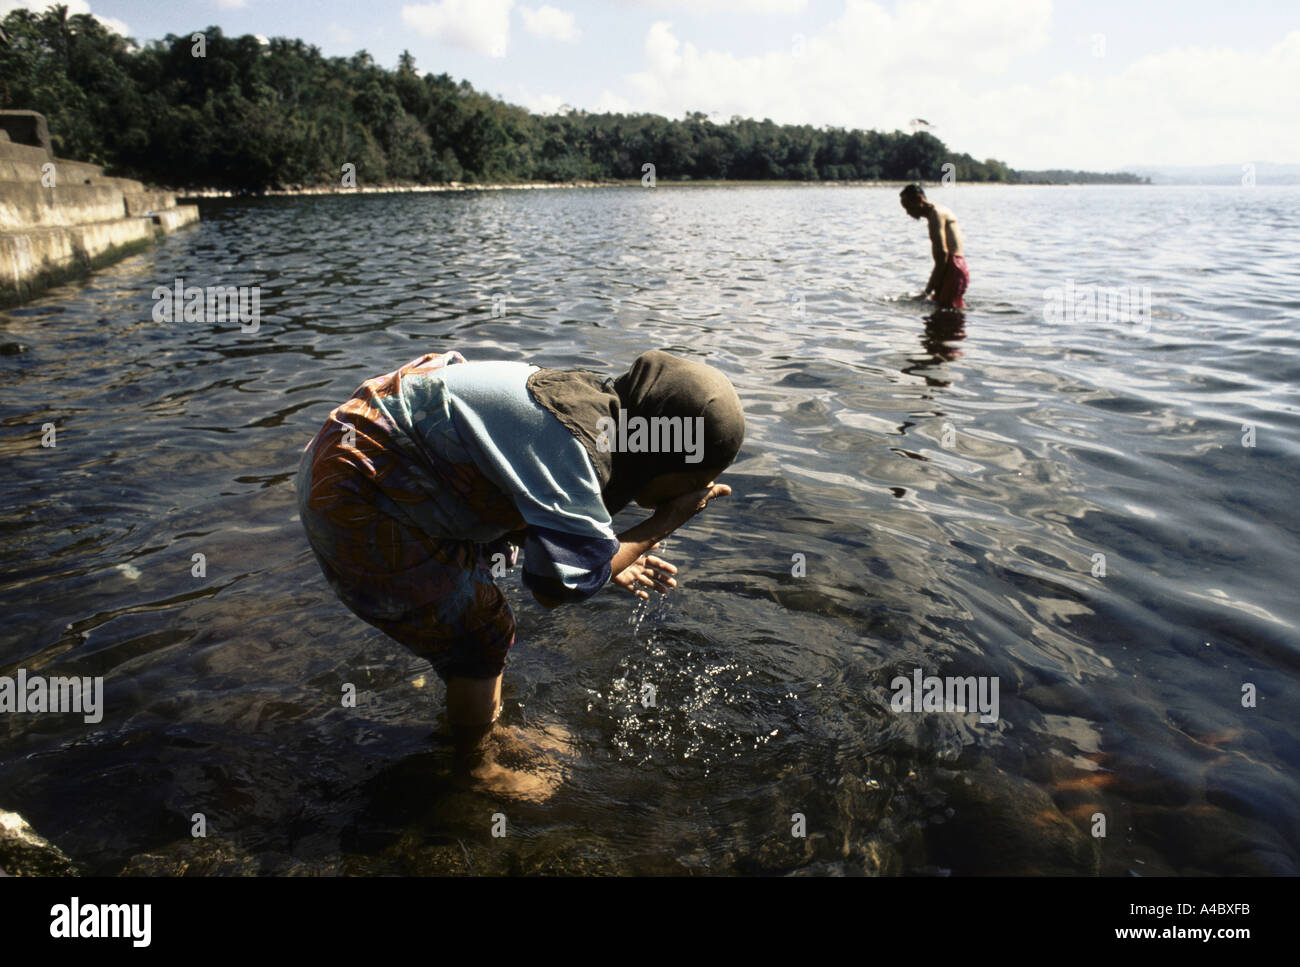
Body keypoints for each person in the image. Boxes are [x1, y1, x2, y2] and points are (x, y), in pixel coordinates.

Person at [295, 348, 744, 797]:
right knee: (479, 632)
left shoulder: (598, 410)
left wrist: (605, 556)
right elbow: (556, 589)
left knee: (476, 602)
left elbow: (531, 486)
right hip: (357, 486)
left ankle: (482, 725)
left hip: (379, 442)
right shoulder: (581, 447)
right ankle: (474, 767)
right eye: (694, 480)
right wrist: (664, 523)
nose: (697, 492)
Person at [899, 183, 969, 309]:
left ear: (919, 199)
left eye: (908, 207)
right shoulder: (939, 211)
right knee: (943, 310)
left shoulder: (936, 214)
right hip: (953, 266)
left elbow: (943, 254)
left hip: (952, 266)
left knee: (946, 314)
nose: (908, 213)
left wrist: (927, 291)